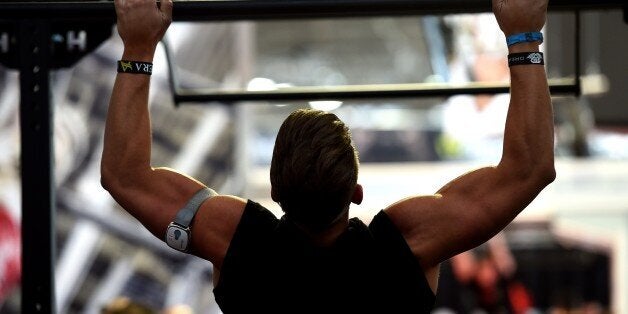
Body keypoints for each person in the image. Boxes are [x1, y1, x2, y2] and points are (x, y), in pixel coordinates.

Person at [101, 0, 555, 312]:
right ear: (356, 192)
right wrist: (523, 37)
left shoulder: (237, 240)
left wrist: (138, 47)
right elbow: (530, 169)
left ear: (275, 191)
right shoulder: (405, 245)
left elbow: (124, 175)